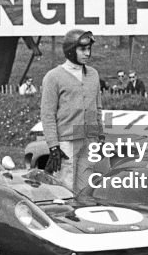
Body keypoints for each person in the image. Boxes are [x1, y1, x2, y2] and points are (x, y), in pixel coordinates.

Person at [40, 29, 106, 191]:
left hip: (89, 140)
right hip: (66, 142)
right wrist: (53, 146)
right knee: (65, 188)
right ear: (71, 50)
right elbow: (47, 114)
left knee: (86, 188)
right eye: (82, 49)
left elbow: (97, 107)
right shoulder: (53, 77)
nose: (87, 53)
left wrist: (101, 135)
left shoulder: (93, 74)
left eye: (89, 49)